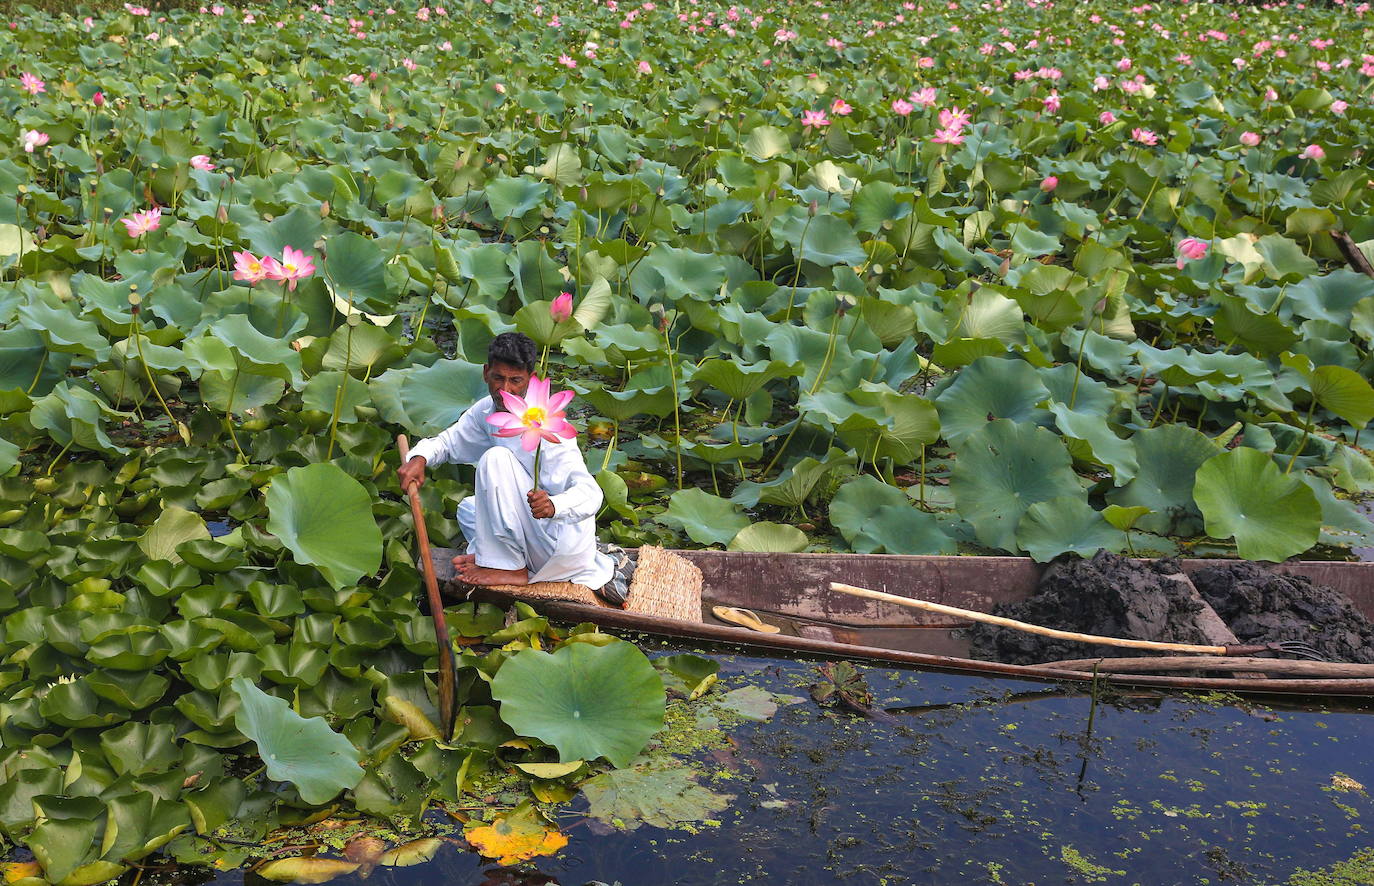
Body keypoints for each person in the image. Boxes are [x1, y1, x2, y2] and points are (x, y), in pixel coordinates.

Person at [396, 332, 614, 590]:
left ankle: (511, 568)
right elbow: (448, 442)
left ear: (530, 380)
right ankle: (498, 559)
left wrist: (554, 505)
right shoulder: (487, 410)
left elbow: (591, 493)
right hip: (534, 536)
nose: (505, 390)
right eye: (498, 378)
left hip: (559, 544)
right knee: (469, 509)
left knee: (495, 458)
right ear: (486, 372)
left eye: (515, 381)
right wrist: (419, 457)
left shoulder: (549, 427)